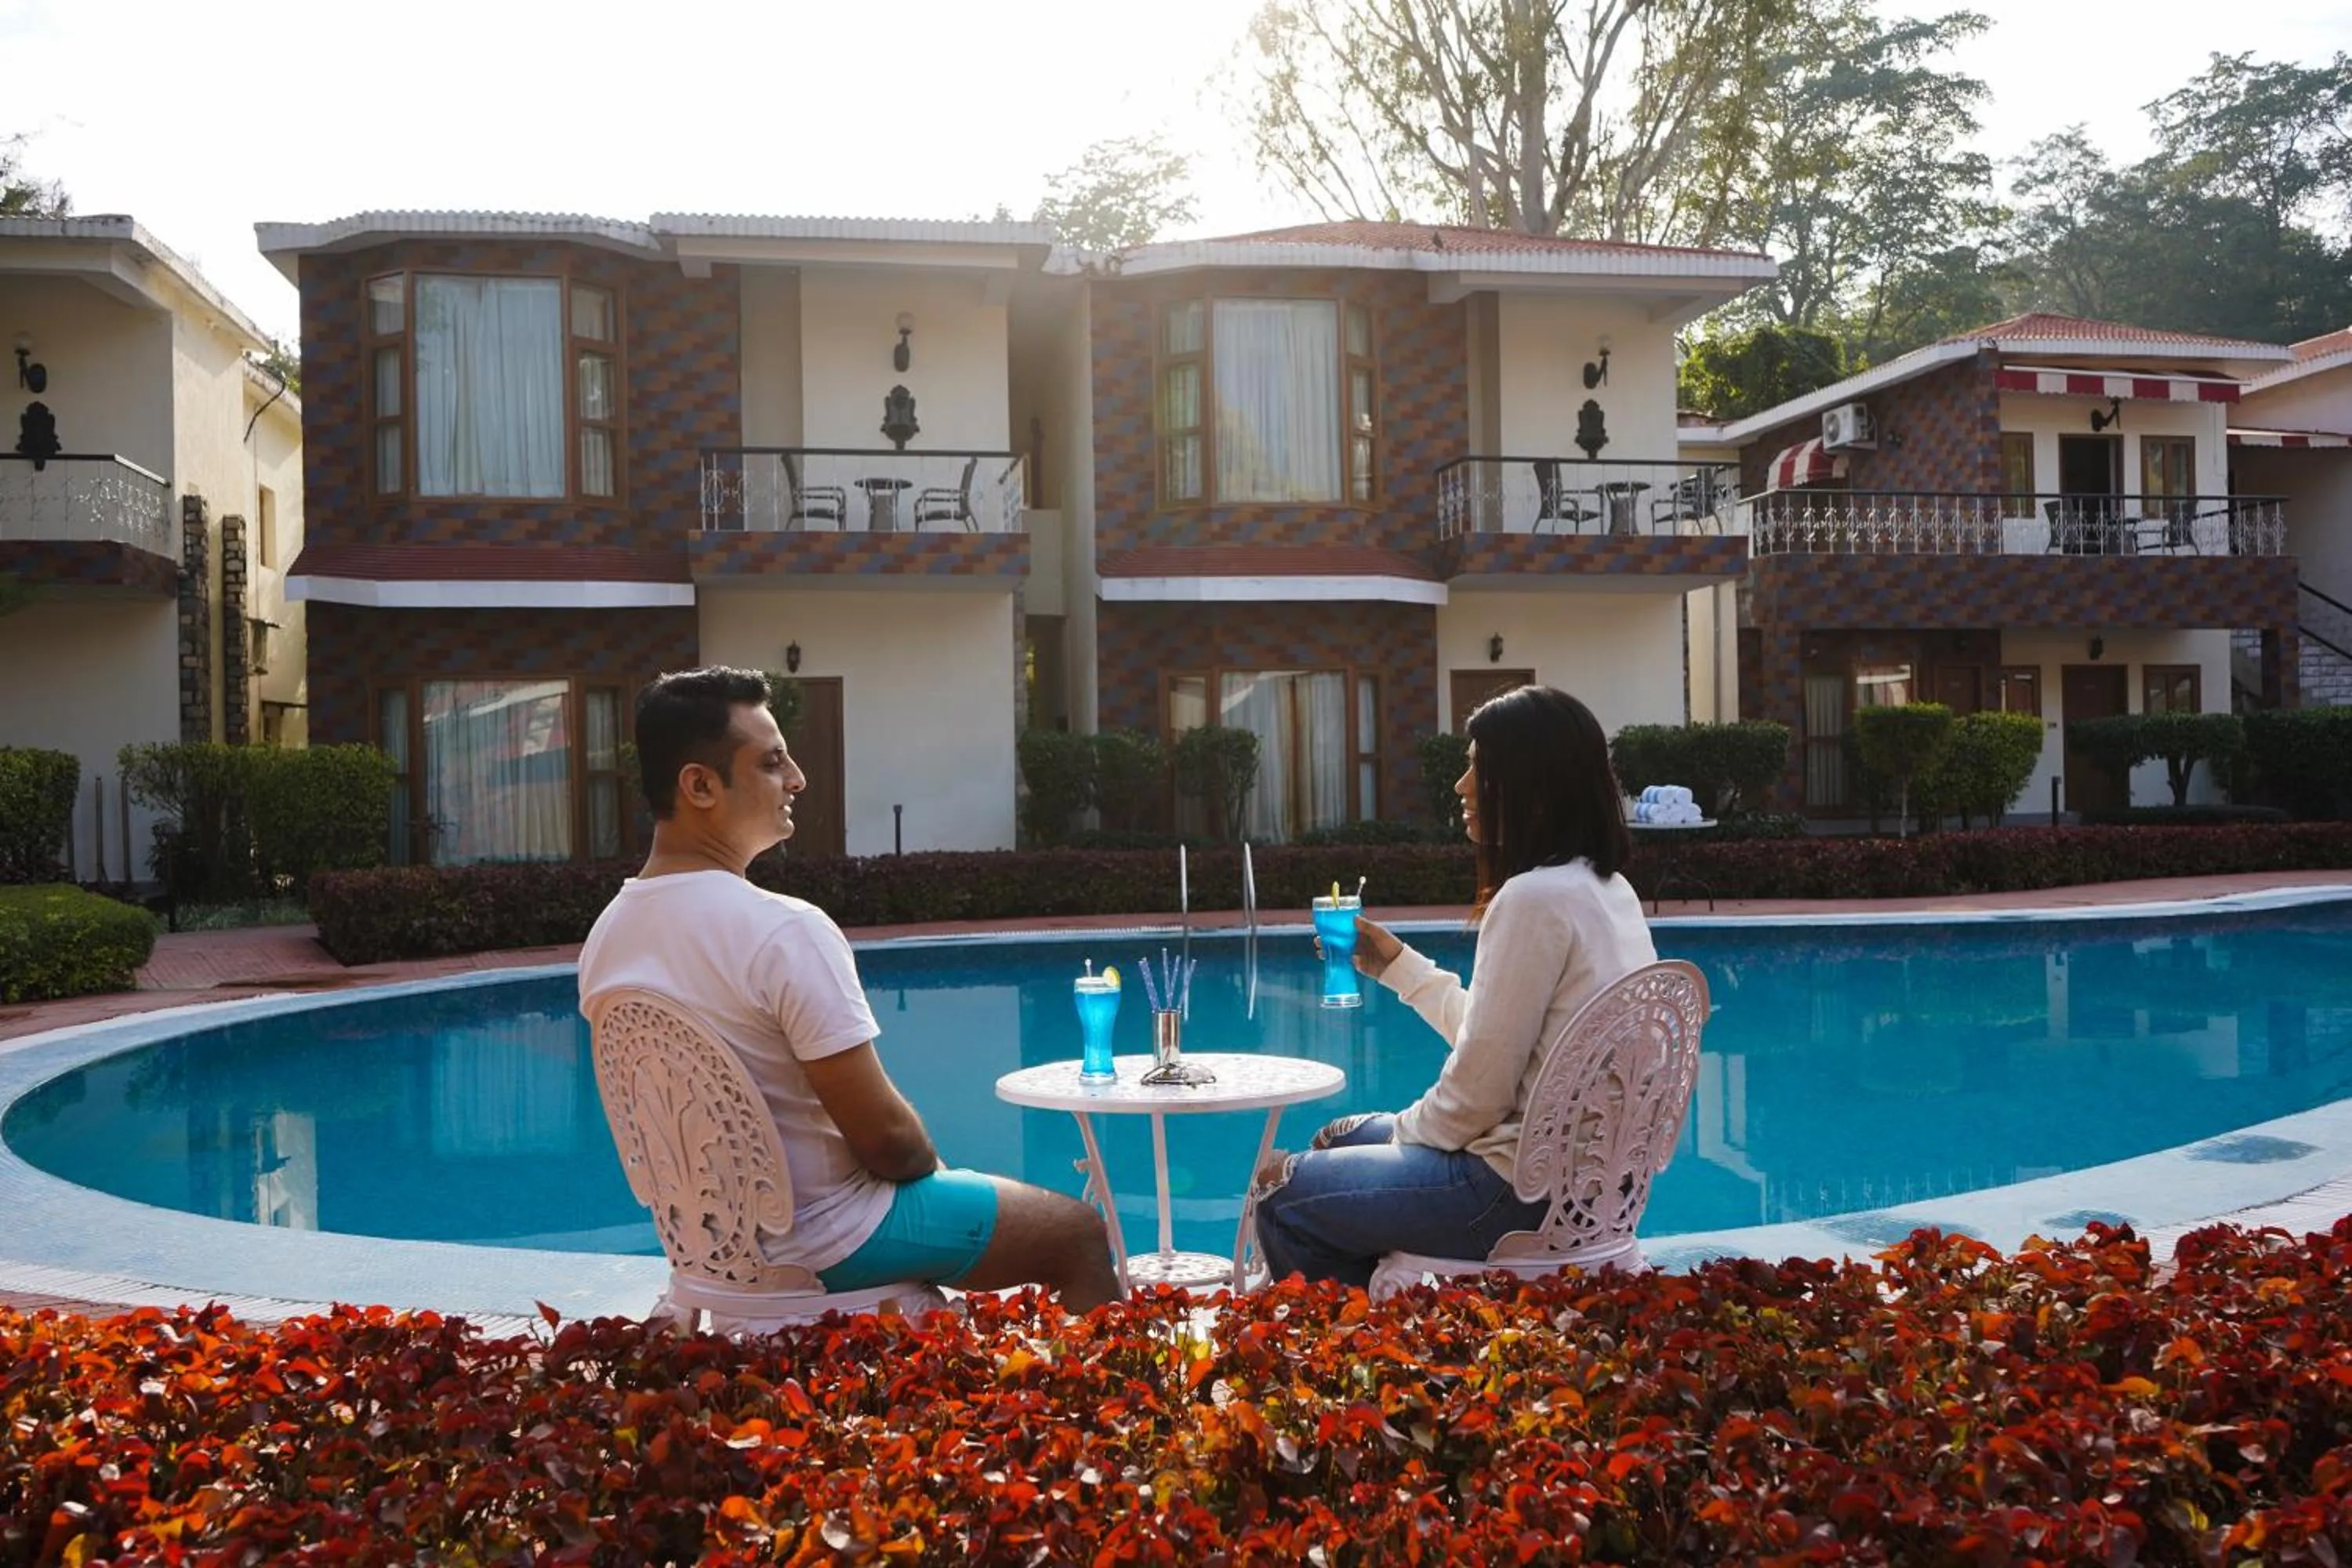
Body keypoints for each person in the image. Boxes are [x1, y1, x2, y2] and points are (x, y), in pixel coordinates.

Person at [577, 667, 1120, 1312]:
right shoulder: (783, 931)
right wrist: (935, 1177)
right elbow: (891, 1144)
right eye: (773, 762)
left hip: (709, 1249)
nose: (797, 779)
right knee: (1079, 1233)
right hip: (835, 1238)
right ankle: (1117, 1408)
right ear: (699, 785)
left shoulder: (608, 938)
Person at [1251, 684, 1657, 1289]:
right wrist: (1398, 965)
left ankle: (1364, 1349)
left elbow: (1474, 1100)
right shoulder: (1605, 890)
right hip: (1591, 1185)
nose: (1462, 787)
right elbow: (1502, 1042)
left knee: (1281, 1194)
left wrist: (1411, 1140)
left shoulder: (1532, 899)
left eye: (1479, 769)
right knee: (1337, 1138)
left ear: (1535, 789)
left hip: (1514, 1196)